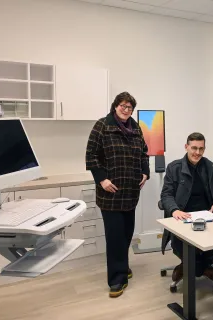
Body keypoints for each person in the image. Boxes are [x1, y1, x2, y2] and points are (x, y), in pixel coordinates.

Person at [85, 92, 150, 298]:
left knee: (126, 234)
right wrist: (102, 179)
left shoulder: (136, 127)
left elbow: (143, 153)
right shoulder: (102, 126)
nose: (126, 109)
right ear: (115, 106)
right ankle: (116, 280)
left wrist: (145, 172)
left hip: (130, 192)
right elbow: (91, 155)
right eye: (123, 105)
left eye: (130, 107)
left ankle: (122, 267)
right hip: (110, 193)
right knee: (114, 238)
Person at [160, 132, 213, 282]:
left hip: (207, 216)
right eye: (194, 148)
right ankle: (204, 270)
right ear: (186, 147)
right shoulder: (174, 168)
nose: (197, 153)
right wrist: (174, 210)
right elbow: (166, 195)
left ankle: (187, 268)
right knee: (183, 247)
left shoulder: (210, 167)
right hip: (182, 217)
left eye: (201, 149)